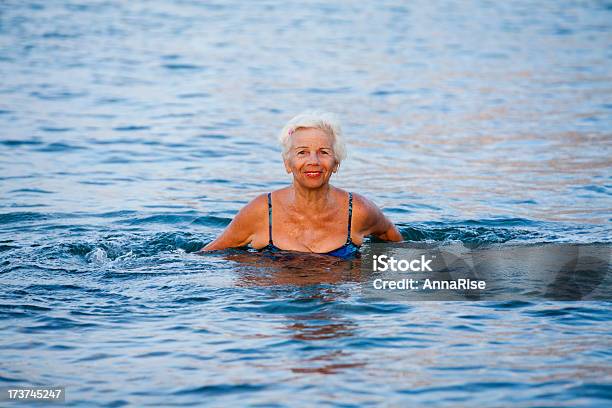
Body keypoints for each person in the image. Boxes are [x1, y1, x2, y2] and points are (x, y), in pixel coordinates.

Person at [199, 111, 402, 258]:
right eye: (302, 152)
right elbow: (208, 256)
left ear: (336, 163)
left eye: (323, 152)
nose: (313, 161)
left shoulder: (359, 210)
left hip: (336, 311)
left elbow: (394, 243)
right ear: (288, 164)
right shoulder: (260, 211)